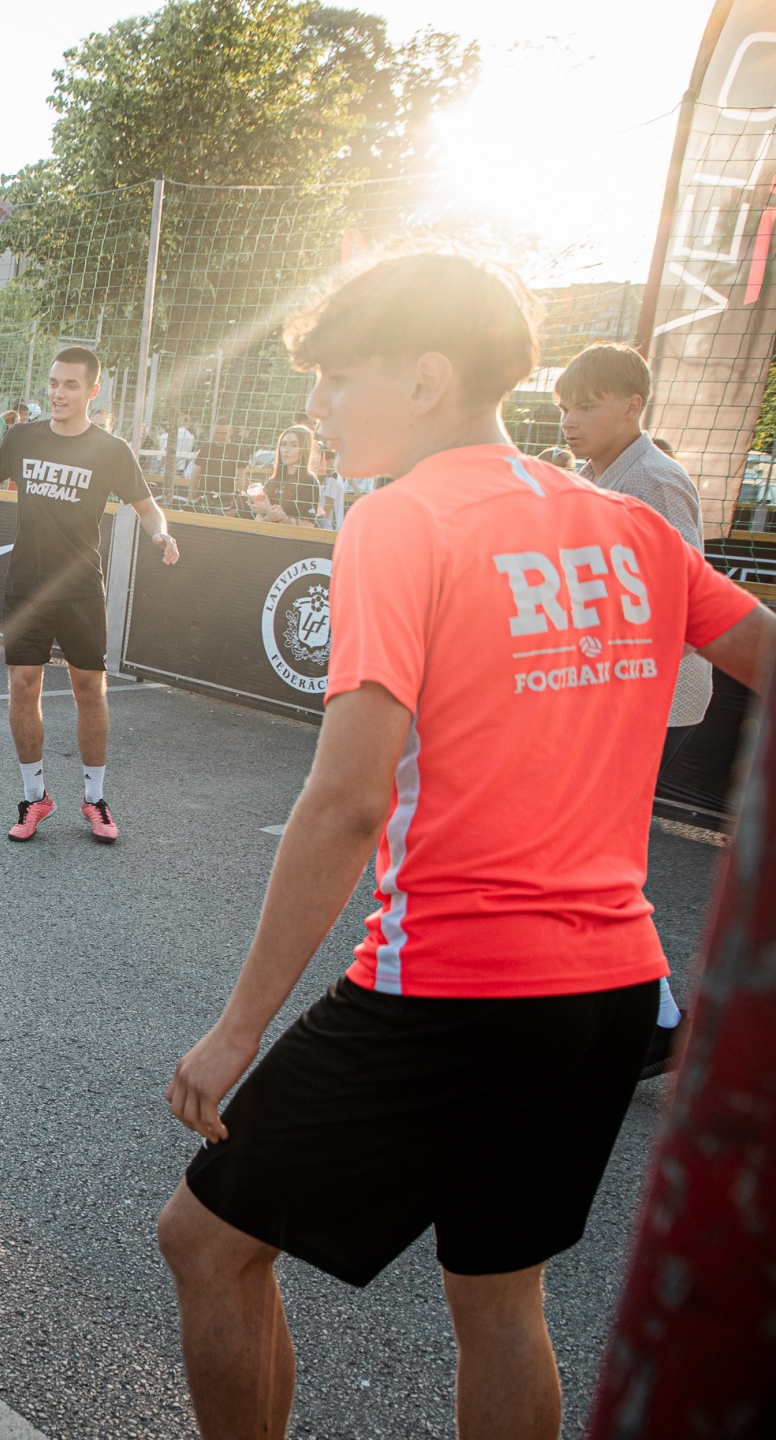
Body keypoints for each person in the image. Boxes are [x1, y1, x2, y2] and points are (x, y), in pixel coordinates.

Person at [155, 252, 775, 1440]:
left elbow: (345, 802)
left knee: (204, 1243)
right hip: (610, 995)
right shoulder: (627, 525)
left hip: (455, 990)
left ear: (425, 379)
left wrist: (236, 1029)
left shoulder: (399, 521)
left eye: (338, 377)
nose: (317, 405)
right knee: (498, 1304)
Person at [0, 346, 181, 843]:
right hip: (26, 585)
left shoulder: (111, 450)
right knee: (23, 685)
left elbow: (146, 506)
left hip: (80, 588)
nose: (58, 393)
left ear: (92, 391)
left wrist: (160, 533)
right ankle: (35, 798)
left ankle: (94, 799)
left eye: (71, 385)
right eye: (53, 383)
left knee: (89, 690)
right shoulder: (23, 436)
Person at [557, 341, 709, 1079]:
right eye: (564, 407)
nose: (569, 421)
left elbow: (686, 598)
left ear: (631, 406)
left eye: (585, 407)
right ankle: (638, 1012)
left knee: (596, 855)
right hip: (616, 694)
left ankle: (658, 1019)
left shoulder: (654, 481)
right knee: (589, 851)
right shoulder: (595, 475)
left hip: (654, 701)